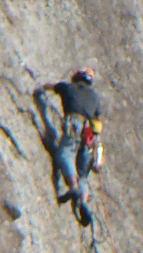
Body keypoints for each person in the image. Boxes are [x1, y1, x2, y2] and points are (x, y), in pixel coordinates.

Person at [34, 68, 104, 219]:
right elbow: (97, 125)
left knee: (64, 154)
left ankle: (73, 187)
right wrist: (98, 155)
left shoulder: (68, 87)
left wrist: (40, 87)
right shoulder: (95, 98)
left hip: (74, 124)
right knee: (83, 174)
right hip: (88, 135)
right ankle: (84, 202)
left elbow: (50, 86)